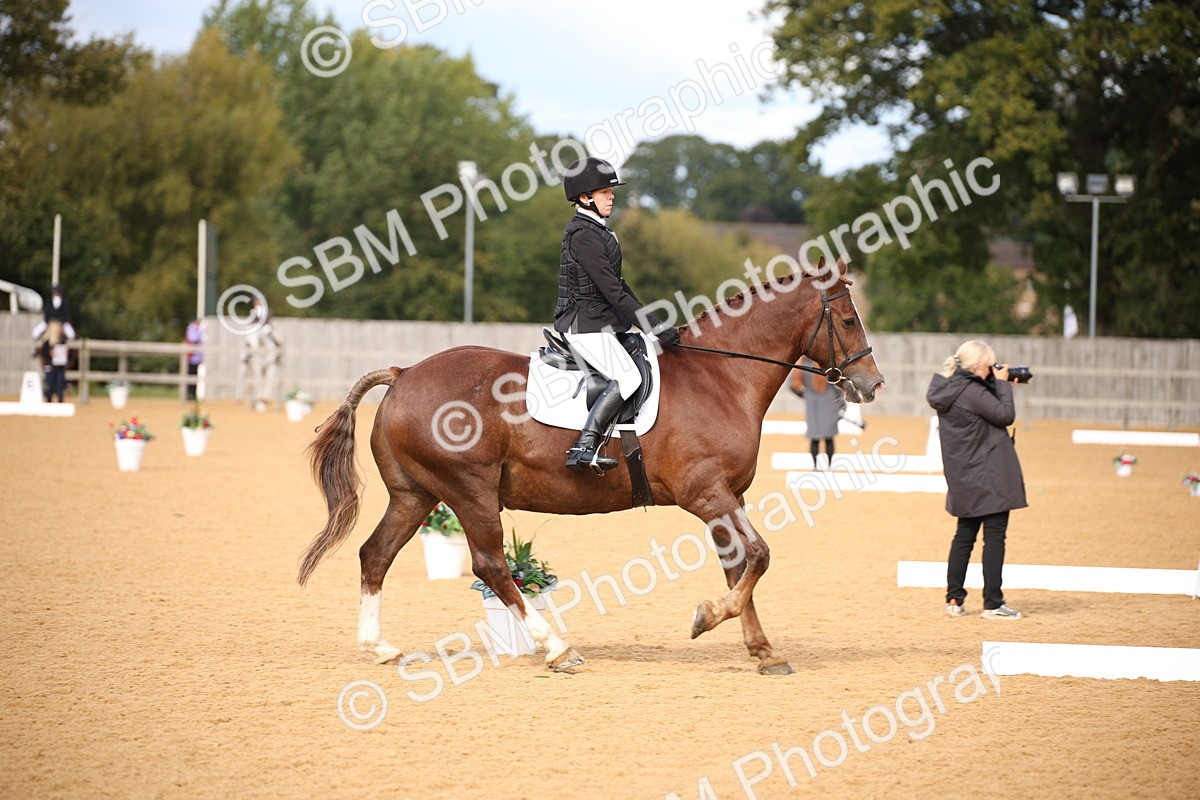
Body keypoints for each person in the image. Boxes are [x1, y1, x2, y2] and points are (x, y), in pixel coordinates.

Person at [553, 156, 680, 472]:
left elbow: (620, 285)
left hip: (598, 324)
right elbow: (612, 291)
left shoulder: (599, 231)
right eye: (605, 191)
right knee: (628, 375)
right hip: (583, 325)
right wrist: (651, 326)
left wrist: (654, 324)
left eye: (611, 191)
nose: (612, 196)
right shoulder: (584, 235)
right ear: (585, 197)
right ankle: (584, 447)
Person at [927, 340, 1027, 619]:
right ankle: (993, 603)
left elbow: (981, 412)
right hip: (989, 475)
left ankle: (954, 600)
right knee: (994, 537)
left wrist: (999, 388)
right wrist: (1004, 387)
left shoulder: (949, 389)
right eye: (988, 365)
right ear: (976, 367)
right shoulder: (972, 390)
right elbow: (1005, 415)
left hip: (965, 475)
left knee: (964, 536)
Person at [790, 358, 843, 470]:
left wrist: (805, 395)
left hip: (819, 400)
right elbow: (837, 386)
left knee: (819, 435)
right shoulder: (822, 364)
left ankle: (820, 465)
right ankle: (824, 465)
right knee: (821, 435)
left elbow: (793, 386)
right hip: (824, 399)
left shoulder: (801, 365)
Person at [32, 285, 76, 403]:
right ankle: (36, 349)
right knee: (35, 332)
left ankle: (72, 351)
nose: (56, 293)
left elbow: (66, 315)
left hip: (62, 323)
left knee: (71, 334)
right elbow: (46, 315)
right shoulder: (49, 303)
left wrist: (62, 324)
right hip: (50, 322)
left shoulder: (64, 304)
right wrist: (48, 323)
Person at [185, 317, 205, 401]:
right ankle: (189, 394)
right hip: (192, 357)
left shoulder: (197, 329)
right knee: (190, 376)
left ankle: (193, 394)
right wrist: (201, 331)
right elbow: (193, 339)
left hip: (197, 357)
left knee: (195, 377)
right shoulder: (191, 329)